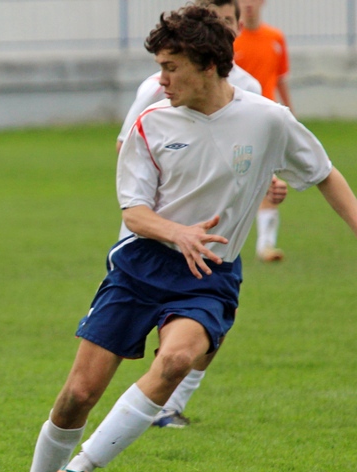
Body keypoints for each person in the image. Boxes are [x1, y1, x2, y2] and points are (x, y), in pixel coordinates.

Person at [0, 5, 357, 472]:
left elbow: (323, 173)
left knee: (179, 359)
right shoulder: (151, 121)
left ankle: (79, 471)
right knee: (78, 393)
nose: (160, 80)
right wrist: (177, 231)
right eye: (159, 67)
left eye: (171, 67)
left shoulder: (268, 118)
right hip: (140, 266)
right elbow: (134, 212)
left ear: (208, 65)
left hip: (209, 274)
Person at [116, 0, 288, 430]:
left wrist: (264, 181)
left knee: (209, 333)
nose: (229, 29)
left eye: (231, 22)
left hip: (217, 238)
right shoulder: (158, 87)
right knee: (150, 338)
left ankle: (168, 405)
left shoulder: (245, 86)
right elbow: (130, 147)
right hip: (151, 238)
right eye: (220, 22)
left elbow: (243, 150)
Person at [234, 0, 293, 262]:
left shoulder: (275, 38)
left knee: (268, 177)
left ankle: (265, 245)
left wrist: (291, 114)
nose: (248, 5)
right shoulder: (232, 41)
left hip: (266, 120)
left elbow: (279, 78)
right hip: (236, 121)